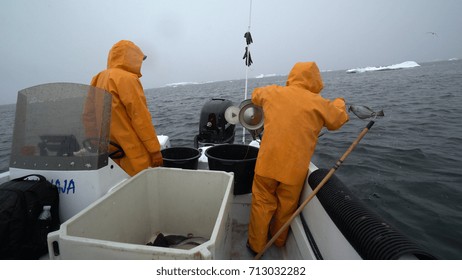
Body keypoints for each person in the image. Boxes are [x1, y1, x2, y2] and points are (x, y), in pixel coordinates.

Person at [247, 61, 349, 254]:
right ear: (316, 81)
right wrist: (340, 101)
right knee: (286, 208)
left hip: (266, 165)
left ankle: (256, 246)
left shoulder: (272, 92)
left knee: (262, 203)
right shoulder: (320, 104)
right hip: (294, 171)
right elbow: (337, 120)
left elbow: (255, 95)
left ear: (292, 76)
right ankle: (278, 242)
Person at [90, 40, 163, 176]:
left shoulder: (97, 78)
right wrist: (155, 151)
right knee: (142, 186)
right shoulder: (127, 78)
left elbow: (88, 115)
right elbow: (140, 117)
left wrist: (95, 145)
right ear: (131, 57)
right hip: (131, 153)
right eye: (139, 59)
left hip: (108, 152)